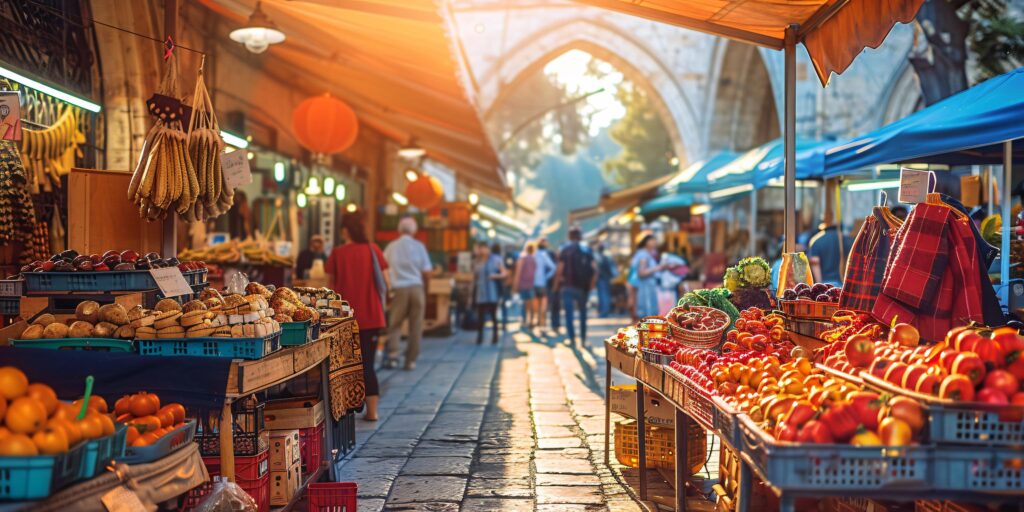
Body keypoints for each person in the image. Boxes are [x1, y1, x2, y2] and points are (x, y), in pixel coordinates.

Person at [325, 212, 390, 421]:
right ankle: (372, 412)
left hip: (344, 319)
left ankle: (346, 411)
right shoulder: (373, 250)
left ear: (345, 230)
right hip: (372, 316)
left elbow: (329, 287)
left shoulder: (337, 253)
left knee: (345, 367)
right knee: (367, 364)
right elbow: (386, 282)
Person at [383, 217, 432, 371]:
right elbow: (427, 272)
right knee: (416, 326)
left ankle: (393, 355)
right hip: (417, 287)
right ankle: (410, 361)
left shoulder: (391, 247)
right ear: (414, 231)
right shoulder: (419, 246)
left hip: (399, 289)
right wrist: (426, 289)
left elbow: (384, 269)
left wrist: (387, 290)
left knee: (395, 323)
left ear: (399, 230)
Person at [554, 227, 597, 345]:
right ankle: (583, 339)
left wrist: (556, 285)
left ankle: (572, 338)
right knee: (583, 314)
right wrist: (591, 285)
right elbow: (594, 268)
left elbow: (560, 269)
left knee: (569, 314)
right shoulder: (587, 250)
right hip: (583, 287)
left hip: (568, 286)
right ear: (580, 236)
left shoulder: (565, 250)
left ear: (569, 236)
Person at [472, 242, 508, 345]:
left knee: (493, 315)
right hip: (481, 291)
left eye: (485, 248)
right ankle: (479, 337)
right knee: (480, 316)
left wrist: (495, 276)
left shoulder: (496, 259)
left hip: (492, 291)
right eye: (482, 248)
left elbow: (504, 273)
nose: (484, 250)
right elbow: (474, 275)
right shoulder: (477, 261)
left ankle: (495, 337)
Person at [807, 221, 855, 287]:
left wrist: (820, 286)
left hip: (825, 285)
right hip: (844, 284)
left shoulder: (816, 240)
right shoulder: (847, 240)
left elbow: (815, 262)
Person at [631, 234, 666, 318]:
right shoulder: (644, 255)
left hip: (646, 286)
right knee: (648, 311)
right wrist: (658, 267)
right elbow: (641, 272)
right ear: (646, 242)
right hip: (646, 287)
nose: (655, 243)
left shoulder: (644, 253)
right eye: (652, 241)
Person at [512, 242, 540, 329]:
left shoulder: (523, 258)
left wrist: (515, 285)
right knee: (531, 304)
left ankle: (524, 321)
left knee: (524, 304)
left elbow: (518, 272)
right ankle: (531, 321)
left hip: (523, 284)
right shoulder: (534, 259)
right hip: (532, 284)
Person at [537, 238, 560, 332]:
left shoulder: (540, 254)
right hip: (548, 283)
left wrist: (546, 277)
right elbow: (555, 268)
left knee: (544, 305)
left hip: (544, 283)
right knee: (550, 305)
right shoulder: (549, 254)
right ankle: (551, 324)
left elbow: (554, 268)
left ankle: (543, 324)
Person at [595, 244, 616, 318]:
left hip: (602, 279)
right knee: (606, 295)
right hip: (607, 278)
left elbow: (598, 270)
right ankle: (604, 311)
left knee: (603, 296)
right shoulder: (607, 257)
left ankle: (604, 312)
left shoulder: (600, 258)